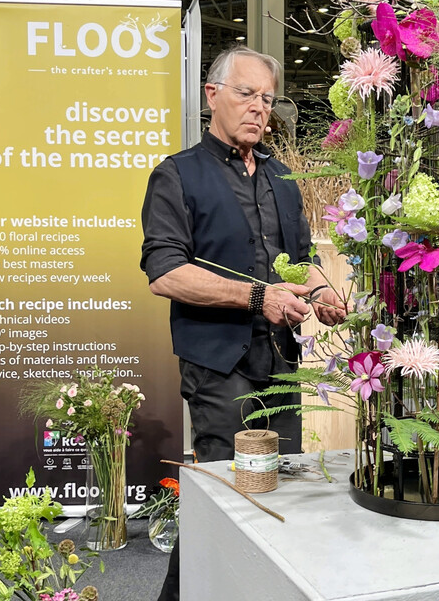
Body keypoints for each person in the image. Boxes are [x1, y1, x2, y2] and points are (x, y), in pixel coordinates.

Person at [140, 45, 347, 601]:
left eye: (267, 98)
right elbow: (165, 273)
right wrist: (257, 297)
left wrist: (322, 290)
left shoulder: (281, 177)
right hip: (217, 363)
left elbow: (301, 258)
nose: (258, 107)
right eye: (245, 93)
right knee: (231, 492)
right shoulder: (176, 175)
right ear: (212, 95)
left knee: (281, 489)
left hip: (281, 363)